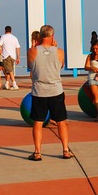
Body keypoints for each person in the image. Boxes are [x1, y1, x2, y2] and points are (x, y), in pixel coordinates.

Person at [27, 26, 72, 161]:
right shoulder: (59, 52)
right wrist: (55, 47)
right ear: (52, 36)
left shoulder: (32, 51)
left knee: (38, 122)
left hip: (39, 91)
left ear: (40, 36)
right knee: (61, 121)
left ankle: (37, 152)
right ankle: (65, 149)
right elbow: (61, 65)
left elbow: (30, 66)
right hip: (55, 90)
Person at [0, 26, 20, 90]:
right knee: (8, 70)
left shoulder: (3, 37)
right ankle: (7, 84)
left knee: (9, 70)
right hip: (13, 56)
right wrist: (18, 57)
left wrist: (0, 54)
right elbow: (18, 48)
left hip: (6, 56)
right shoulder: (14, 38)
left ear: (5, 30)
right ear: (11, 30)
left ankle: (14, 84)